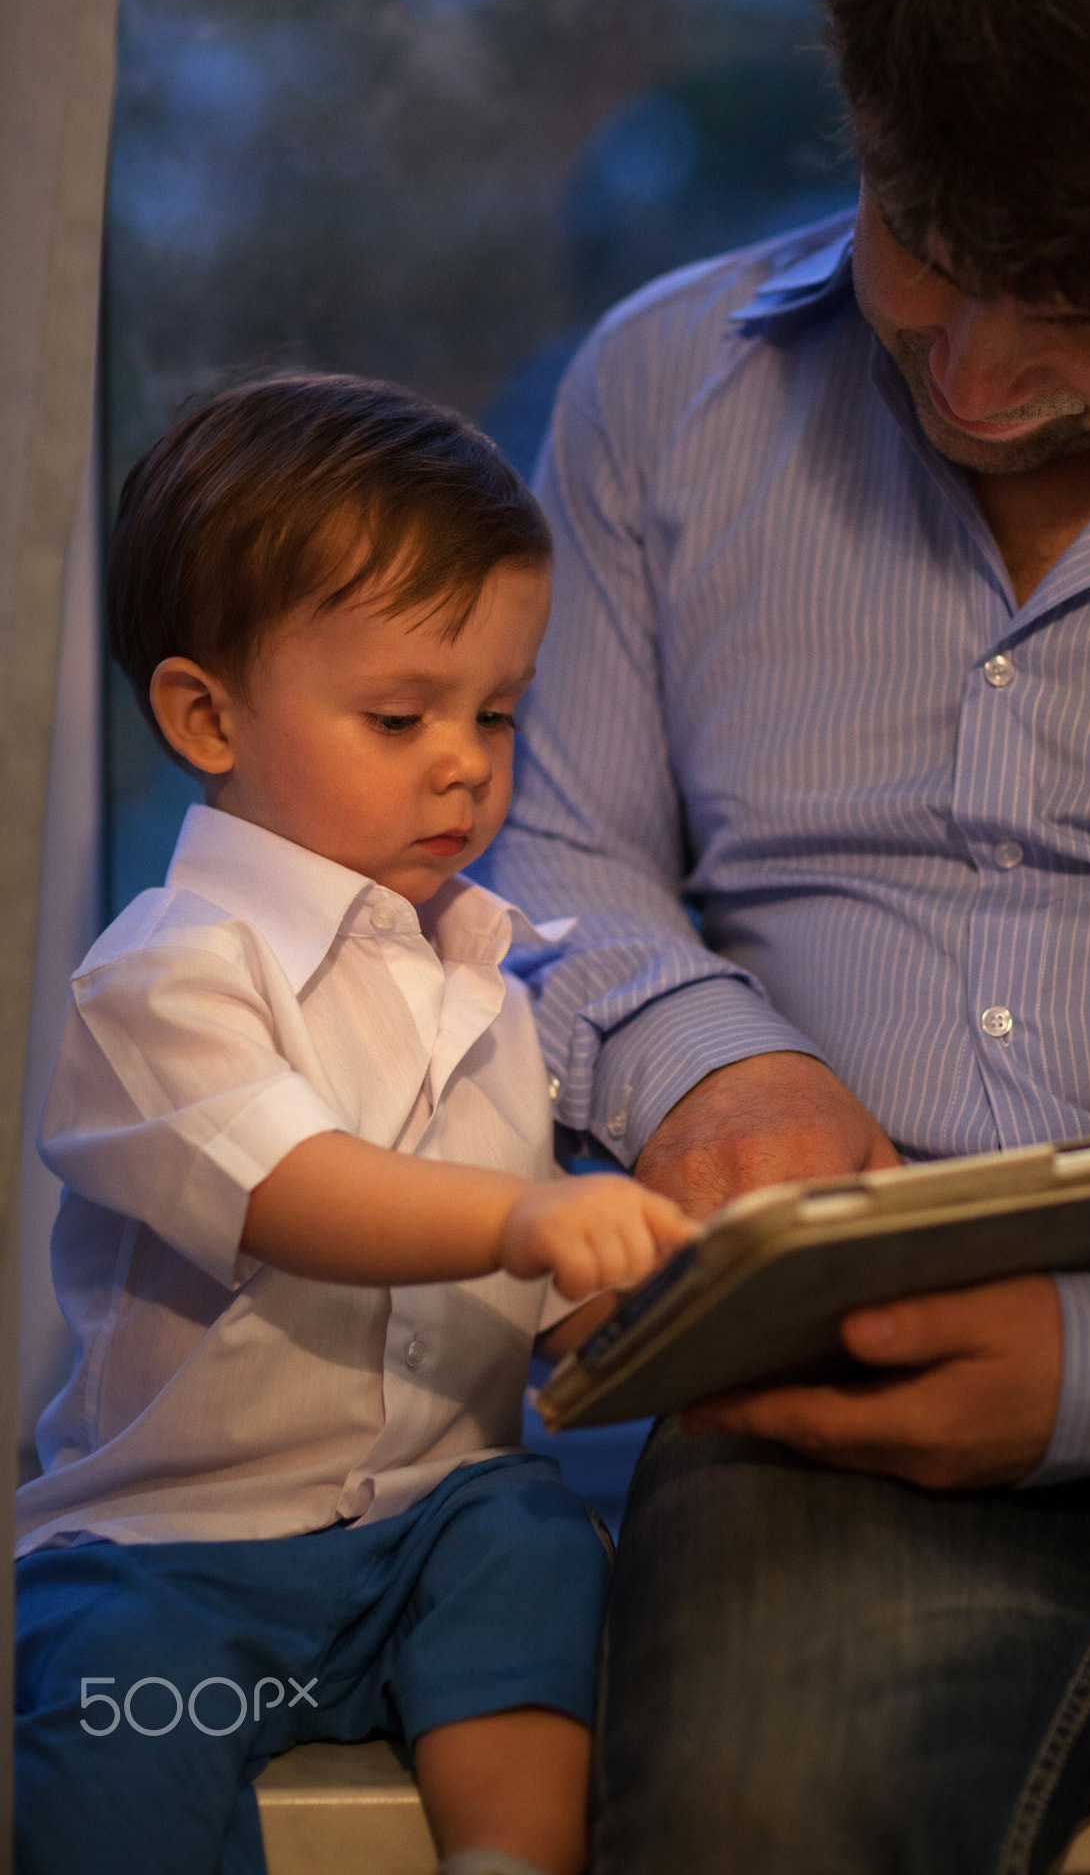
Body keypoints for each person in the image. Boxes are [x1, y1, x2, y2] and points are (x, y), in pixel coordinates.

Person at [483, 0, 1090, 1867]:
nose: (970, 376)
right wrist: (723, 1062)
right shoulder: (664, 394)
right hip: (839, 1366)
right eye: (916, 242)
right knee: (765, 1814)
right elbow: (545, 848)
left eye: (1084, 312)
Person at [13, 374, 695, 1875]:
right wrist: (527, 1215)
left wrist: (626, 1299)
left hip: (431, 1523)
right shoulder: (163, 972)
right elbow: (295, 1191)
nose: (463, 758)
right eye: (400, 715)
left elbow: (518, 1300)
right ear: (206, 716)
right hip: (178, 1547)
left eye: (496, 711)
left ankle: (509, 1859)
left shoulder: (487, 980)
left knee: (535, 1551)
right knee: (109, 1710)